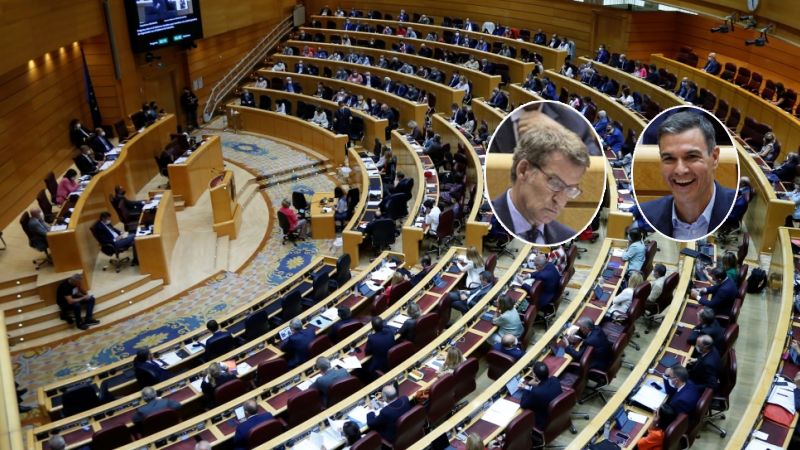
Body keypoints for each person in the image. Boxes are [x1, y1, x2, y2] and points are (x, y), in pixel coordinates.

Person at [637, 111, 737, 240]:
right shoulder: (646, 215)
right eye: (669, 158)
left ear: (714, 158)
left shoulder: (741, 211)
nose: (680, 170)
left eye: (692, 157)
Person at [491, 119, 590, 244]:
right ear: (523, 170)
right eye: (556, 183)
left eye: (570, 190)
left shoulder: (566, 237)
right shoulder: (485, 223)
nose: (560, 201)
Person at [520, 361, 563, 429]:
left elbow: (523, 405)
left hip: (543, 421)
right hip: (558, 413)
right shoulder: (554, 379)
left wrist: (527, 386)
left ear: (535, 376)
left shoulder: (536, 392)